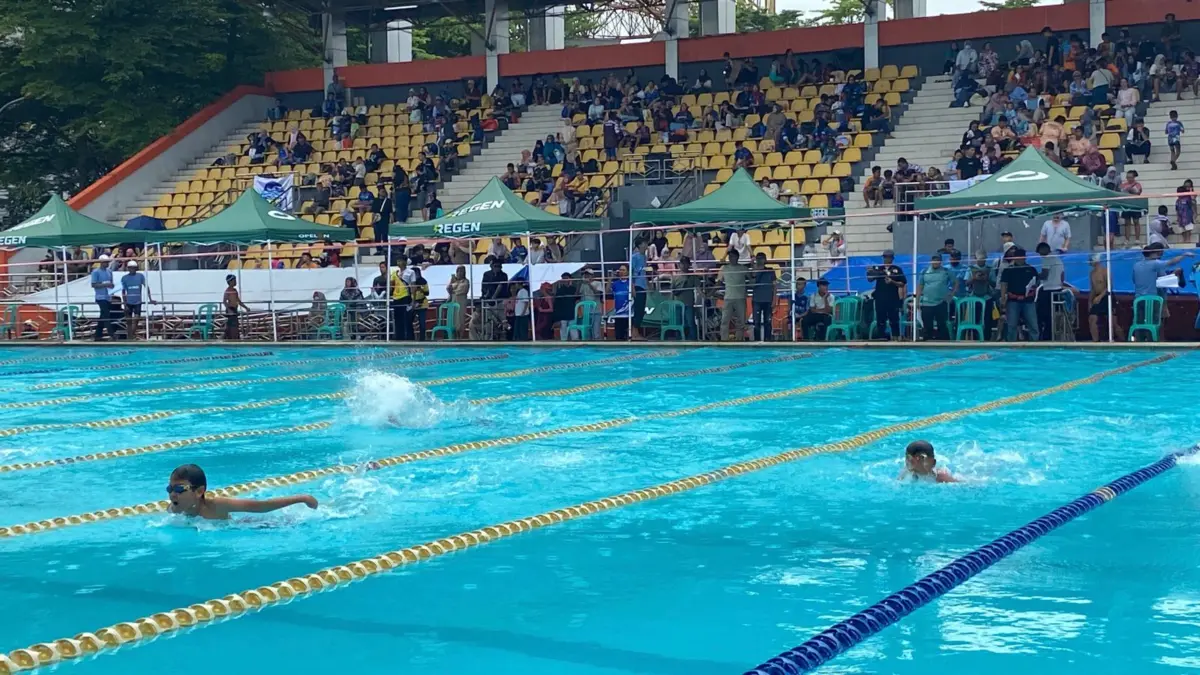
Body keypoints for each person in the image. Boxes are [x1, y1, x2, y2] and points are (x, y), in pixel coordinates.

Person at [167, 464, 317, 520]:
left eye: (179, 489)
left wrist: (301, 498)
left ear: (199, 491)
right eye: (170, 489)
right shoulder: (174, 511)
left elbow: (260, 507)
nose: (172, 494)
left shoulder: (218, 505)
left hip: (250, 526)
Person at [999, 246, 1039, 341]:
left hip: (1028, 300)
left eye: (1022, 256)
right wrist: (1003, 299)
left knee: (1033, 325)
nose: (1021, 258)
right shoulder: (1008, 270)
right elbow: (1003, 285)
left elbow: (1036, 284)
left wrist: (1032, 290)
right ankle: (1011, 346)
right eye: (1018, 257)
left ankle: (1035, 346)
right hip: (1013, 300)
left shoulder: (1031, 269)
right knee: (1011, 325)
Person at [867, 249, 906, 340]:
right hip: (880, 298)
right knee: (881, 319)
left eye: (889, 257)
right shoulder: (878, 269)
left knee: (894, 319)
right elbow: (870, 279)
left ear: (892, 258)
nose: (887, 259)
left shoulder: (897, 269)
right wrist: (869, 272)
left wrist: (892, 282)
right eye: (885, 257)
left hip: (893, 299)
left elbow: (903, 283)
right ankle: (881, 337)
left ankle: (896, 338)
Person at [916, 253, 955, 341]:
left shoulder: (946, 271)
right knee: (927, 325)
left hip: (941, 302)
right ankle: (928, 343)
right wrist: (917, 300)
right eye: (934, 260)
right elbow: (920, 287)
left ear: (940, 261)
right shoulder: (925, 271)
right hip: (926, 302)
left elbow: (955, 283)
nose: (935, 262)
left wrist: (951, 294)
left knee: (942, 324)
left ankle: (945, 344)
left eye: (937, 260)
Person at [1087, 253, 1123, 342]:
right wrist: (1090, 302)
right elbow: (1092, 289)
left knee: (1113, 323)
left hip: (1107, 297)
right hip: (1096, 298)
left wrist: (1100, 297)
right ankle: (1095, 341)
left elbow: (1109, 287)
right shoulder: (1091, 273)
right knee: (1092, 319)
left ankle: (1123, 341)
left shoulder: (1105, 271)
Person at [717, 249, 749, 341]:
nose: (732, 259)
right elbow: (719, 282)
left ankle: (739, 339)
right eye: (730, 257)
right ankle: (724, 340)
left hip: (740, 298)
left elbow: (752, 279)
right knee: (724, 321)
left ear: (737, 257)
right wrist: (712, 292)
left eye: (733, 257)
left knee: (741, 321)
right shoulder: (724, 268)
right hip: (728, 298)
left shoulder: (743, 268)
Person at [119, 260, 152, 340]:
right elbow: (123, 292)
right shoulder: (124, 278)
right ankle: (130, 337)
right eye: (131, 268)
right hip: (128, 302)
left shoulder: (140, 276)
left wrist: (150, 299)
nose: (132, 269)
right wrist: (125, 303)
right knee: (129, 321)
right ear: (128, 268)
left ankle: (131, 335)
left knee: (136, 319)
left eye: (134, 268)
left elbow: (146, 287)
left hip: (137, 301)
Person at [90, 254, 116, 341]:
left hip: (108, 296)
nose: (107, 264)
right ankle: (111, 334)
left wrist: (111, 286)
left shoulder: (109, 272)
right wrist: (106, 284)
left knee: (103, 316)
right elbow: (93, 284)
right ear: (101, 263)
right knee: (106, 316)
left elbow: (111, 283)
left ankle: (98, 335)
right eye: (105, 262)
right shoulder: (96, 272)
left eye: (108, 262)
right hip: (100, 297)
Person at [750, 252, 776, 341]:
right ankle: (757, 341)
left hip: (768, 299)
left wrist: (774, 300)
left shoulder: (771, 271)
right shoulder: (753, 271)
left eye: (762, 258)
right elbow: (752, 281)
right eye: (758, 258)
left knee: (768, 322)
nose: (760, 260)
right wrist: (753, 266)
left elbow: (775, 286)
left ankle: (767, 340)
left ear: (765, 260)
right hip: (757, 300)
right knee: (756, 322)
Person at [630, 237, 649, 339]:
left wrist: (648, 284)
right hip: (637, 285)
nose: (646, 245)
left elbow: (644, 272)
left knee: (641, 310)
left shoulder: (644, 257)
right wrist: (632, 287)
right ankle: (634, 333)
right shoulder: (634, 257)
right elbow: (631, 273)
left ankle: (636, 332)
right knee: (638, 309)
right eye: (644, 243)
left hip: (643, 285)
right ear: (640, 245)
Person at [222, 274, 250, 340]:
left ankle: (234, 337)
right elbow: (224, 301)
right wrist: (228, 309)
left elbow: (238, 301)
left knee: (235, 325)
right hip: (230, 310)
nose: (235, 282)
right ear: (230, 282)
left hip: (234, 309)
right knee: (232, 325)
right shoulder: (228, 291)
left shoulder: (234, 290)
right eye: (234, 281)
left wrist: (246, 307)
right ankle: (231, 337)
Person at [410, 267, 429, 340]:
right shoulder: (410, 281)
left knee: (422, 324)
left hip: (422, 304)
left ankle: (422, 339)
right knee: (409, 322)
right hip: (413, 304)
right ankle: (411, 338)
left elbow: (427, 293)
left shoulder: (423, 281)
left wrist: (421, 289)